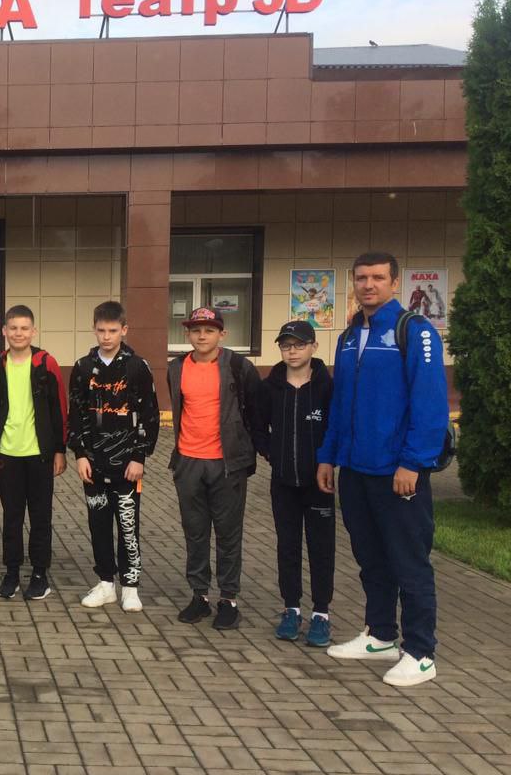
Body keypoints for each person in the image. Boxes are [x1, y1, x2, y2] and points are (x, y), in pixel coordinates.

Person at [318, 252, 449, 686]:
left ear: (395, 283)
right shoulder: (349, 336)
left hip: (398, 472)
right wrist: (328, 455)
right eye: (361, 278)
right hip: (356, 470)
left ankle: (421, 652)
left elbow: (430, 404)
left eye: (377, 277)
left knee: (409, 563)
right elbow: (340, 405)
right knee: (371, 559)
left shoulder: (415, 331)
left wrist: (412, 462)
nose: (368, 285)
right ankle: (380, 635)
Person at [168, 306, 260, 631]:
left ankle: (228, 599)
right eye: (196, 330)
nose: (202, 336)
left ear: (222, 333)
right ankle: (200, 595)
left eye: (209, 330)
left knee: (228, 533)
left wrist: (245, 452)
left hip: (227, 464)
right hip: (188, 461)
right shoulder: (176, 368)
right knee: (195, 532)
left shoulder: (238, 366)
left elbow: (256, 411)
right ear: (187, 334)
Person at [69, 301, 159, 613]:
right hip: (93, 464)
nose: (106, 337)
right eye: (101, 330)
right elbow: (76, 413)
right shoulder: (83, 367)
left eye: (112, 330)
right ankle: (106, 583)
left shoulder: (137, 367)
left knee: (128, 526)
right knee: (98, 525)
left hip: (127, 465)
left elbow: (149, 415)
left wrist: (139, 457)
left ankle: (130, 586)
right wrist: (80, 454)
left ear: (124, 330)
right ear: (94, 330)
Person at [253, 320, 336, 647]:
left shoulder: (327, 387)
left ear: (314, 346)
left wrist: (328, 460)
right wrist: (271, 453)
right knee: (287, 546)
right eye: (286, 346)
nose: (292, 351)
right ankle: (291, 609)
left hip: (319, 483)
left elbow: (336, 429)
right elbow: (257, 426)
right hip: (283, 483)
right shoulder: (269, 387)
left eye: (299, 345)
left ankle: (321, 614)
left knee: (321, 548)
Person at [0, 305, 67, 601]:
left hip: (40, 454)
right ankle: (12, 572)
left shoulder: (46, 363)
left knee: (41, 516)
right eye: (13, 328)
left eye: (24, 328)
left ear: (34, 331)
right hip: (7, 453)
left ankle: (40, 573)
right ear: (4, 331)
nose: (18, 333)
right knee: (12, 516)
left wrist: (59, 449)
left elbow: (59, 408)